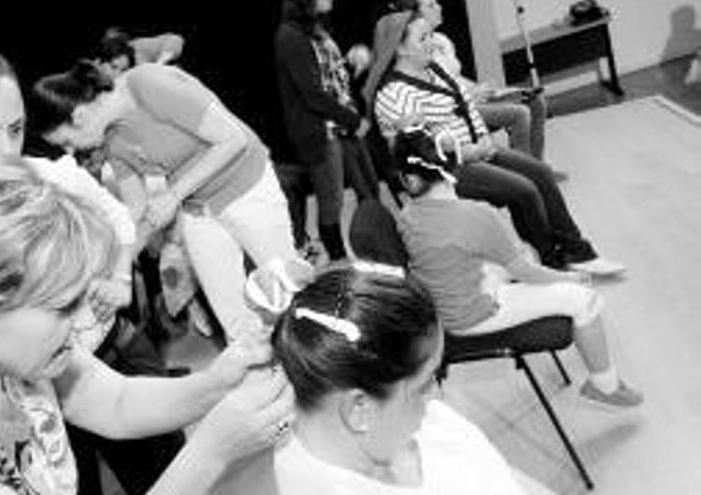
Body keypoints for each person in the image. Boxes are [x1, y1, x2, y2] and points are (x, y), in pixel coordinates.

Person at [0, 154, 295, 495]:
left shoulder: (2, 347)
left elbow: (116, 402)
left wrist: (217, 382)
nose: (87, 322)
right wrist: (211, 453)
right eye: (64, 307)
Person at [0, 42, 185, 495]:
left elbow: (118, 222)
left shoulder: (51, 175)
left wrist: (116, 278)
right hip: (39, 407)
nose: (6, 151)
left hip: (107, 354)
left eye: (15, 129)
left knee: (167, 464)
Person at [29, 60, 303, 343]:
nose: (71, 152)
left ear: (79, 116)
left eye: (66, 142)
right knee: (232, 315)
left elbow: (233, 140)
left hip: (246, 187)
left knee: (286, 285)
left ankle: (321, 362)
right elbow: (137, 213)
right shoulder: (110, 138)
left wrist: (173, 195)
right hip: (198, 208)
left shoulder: (147, 85)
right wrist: (120, 276)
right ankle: (261, 376)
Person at [390, 128, 642, 407]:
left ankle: (602, 383)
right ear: (453, 162)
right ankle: (604, 388)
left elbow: (453, 253)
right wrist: (573, 277)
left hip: (444, 307)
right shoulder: (476, 215)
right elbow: (528, 273)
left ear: (408, 180)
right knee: (585, 299)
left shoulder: (406, 215)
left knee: (511, 266)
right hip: (473, 315)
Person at [364, 11, 625, 275]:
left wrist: (485, 140)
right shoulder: (394, 94)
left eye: (430, 35)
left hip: (474, 148)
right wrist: (472, 150)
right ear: (400, 48)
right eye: (422, 38)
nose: (431, 42)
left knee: (541, 173)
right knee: (524, 190)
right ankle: (552, 261)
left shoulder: (433, 68)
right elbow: (420, 151)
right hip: (443, 171)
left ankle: (579, 252)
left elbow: (466, 105)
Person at [271, 262, 532, 493]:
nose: (436, 396)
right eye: (426, 382)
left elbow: (500, 472)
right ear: (359, 409)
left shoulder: (425, 422)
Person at [275, 0, 381, 261]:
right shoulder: (290, 36)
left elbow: (327, 77)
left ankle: (381, 253)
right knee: (332, 204)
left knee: (369, 192)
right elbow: (312, 94)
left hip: (342, 125)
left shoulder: (315, 28)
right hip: (323, 132)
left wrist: (349, 62)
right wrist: (355, 122)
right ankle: (339, 263)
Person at [411, 0, 555, 167]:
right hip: (458, 109)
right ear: (416, 15)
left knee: (535, 101)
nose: (440, 7)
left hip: (472, 98)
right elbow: (435, 97)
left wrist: (491, 90)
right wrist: (471, 96)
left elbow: (457, 77)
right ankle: (526, 173)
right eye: (431, 5)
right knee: (520, 113)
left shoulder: (442, 40)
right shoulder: (417, 51)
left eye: (437, 3)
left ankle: (539, 167)